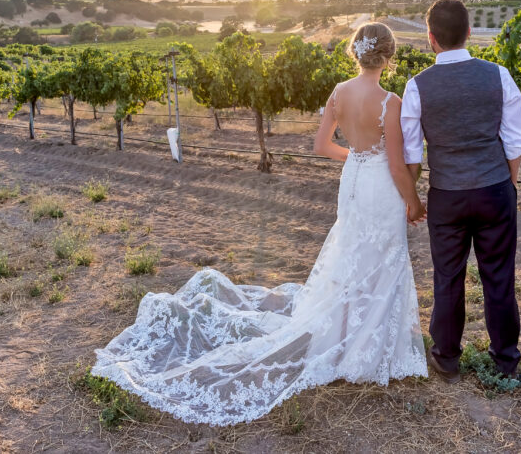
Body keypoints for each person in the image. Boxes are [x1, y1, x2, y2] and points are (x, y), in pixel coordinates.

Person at [90, 22, 428, 426]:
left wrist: (355, 158)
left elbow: (322, 146)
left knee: (352, 256)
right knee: (380, 259)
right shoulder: (391, 101)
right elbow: (394, 162)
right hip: (378, 185)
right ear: (389, 56)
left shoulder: (339, 91)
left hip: (353, 182)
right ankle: (369, 347)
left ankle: (342, 338)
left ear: (355, 53)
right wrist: (413, 201)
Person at [401, 0, 521, 384]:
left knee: (448, 277)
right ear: (469, 32)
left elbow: (412, 154)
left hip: (447, 196)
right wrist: (508, 183)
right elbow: (514, 140)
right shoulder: (499, 75)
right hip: (494, 190)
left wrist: (415, 197)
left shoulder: (417, 86)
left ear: (430, 38)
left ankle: (447, 357)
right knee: (499, 278)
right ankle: (505, 360)